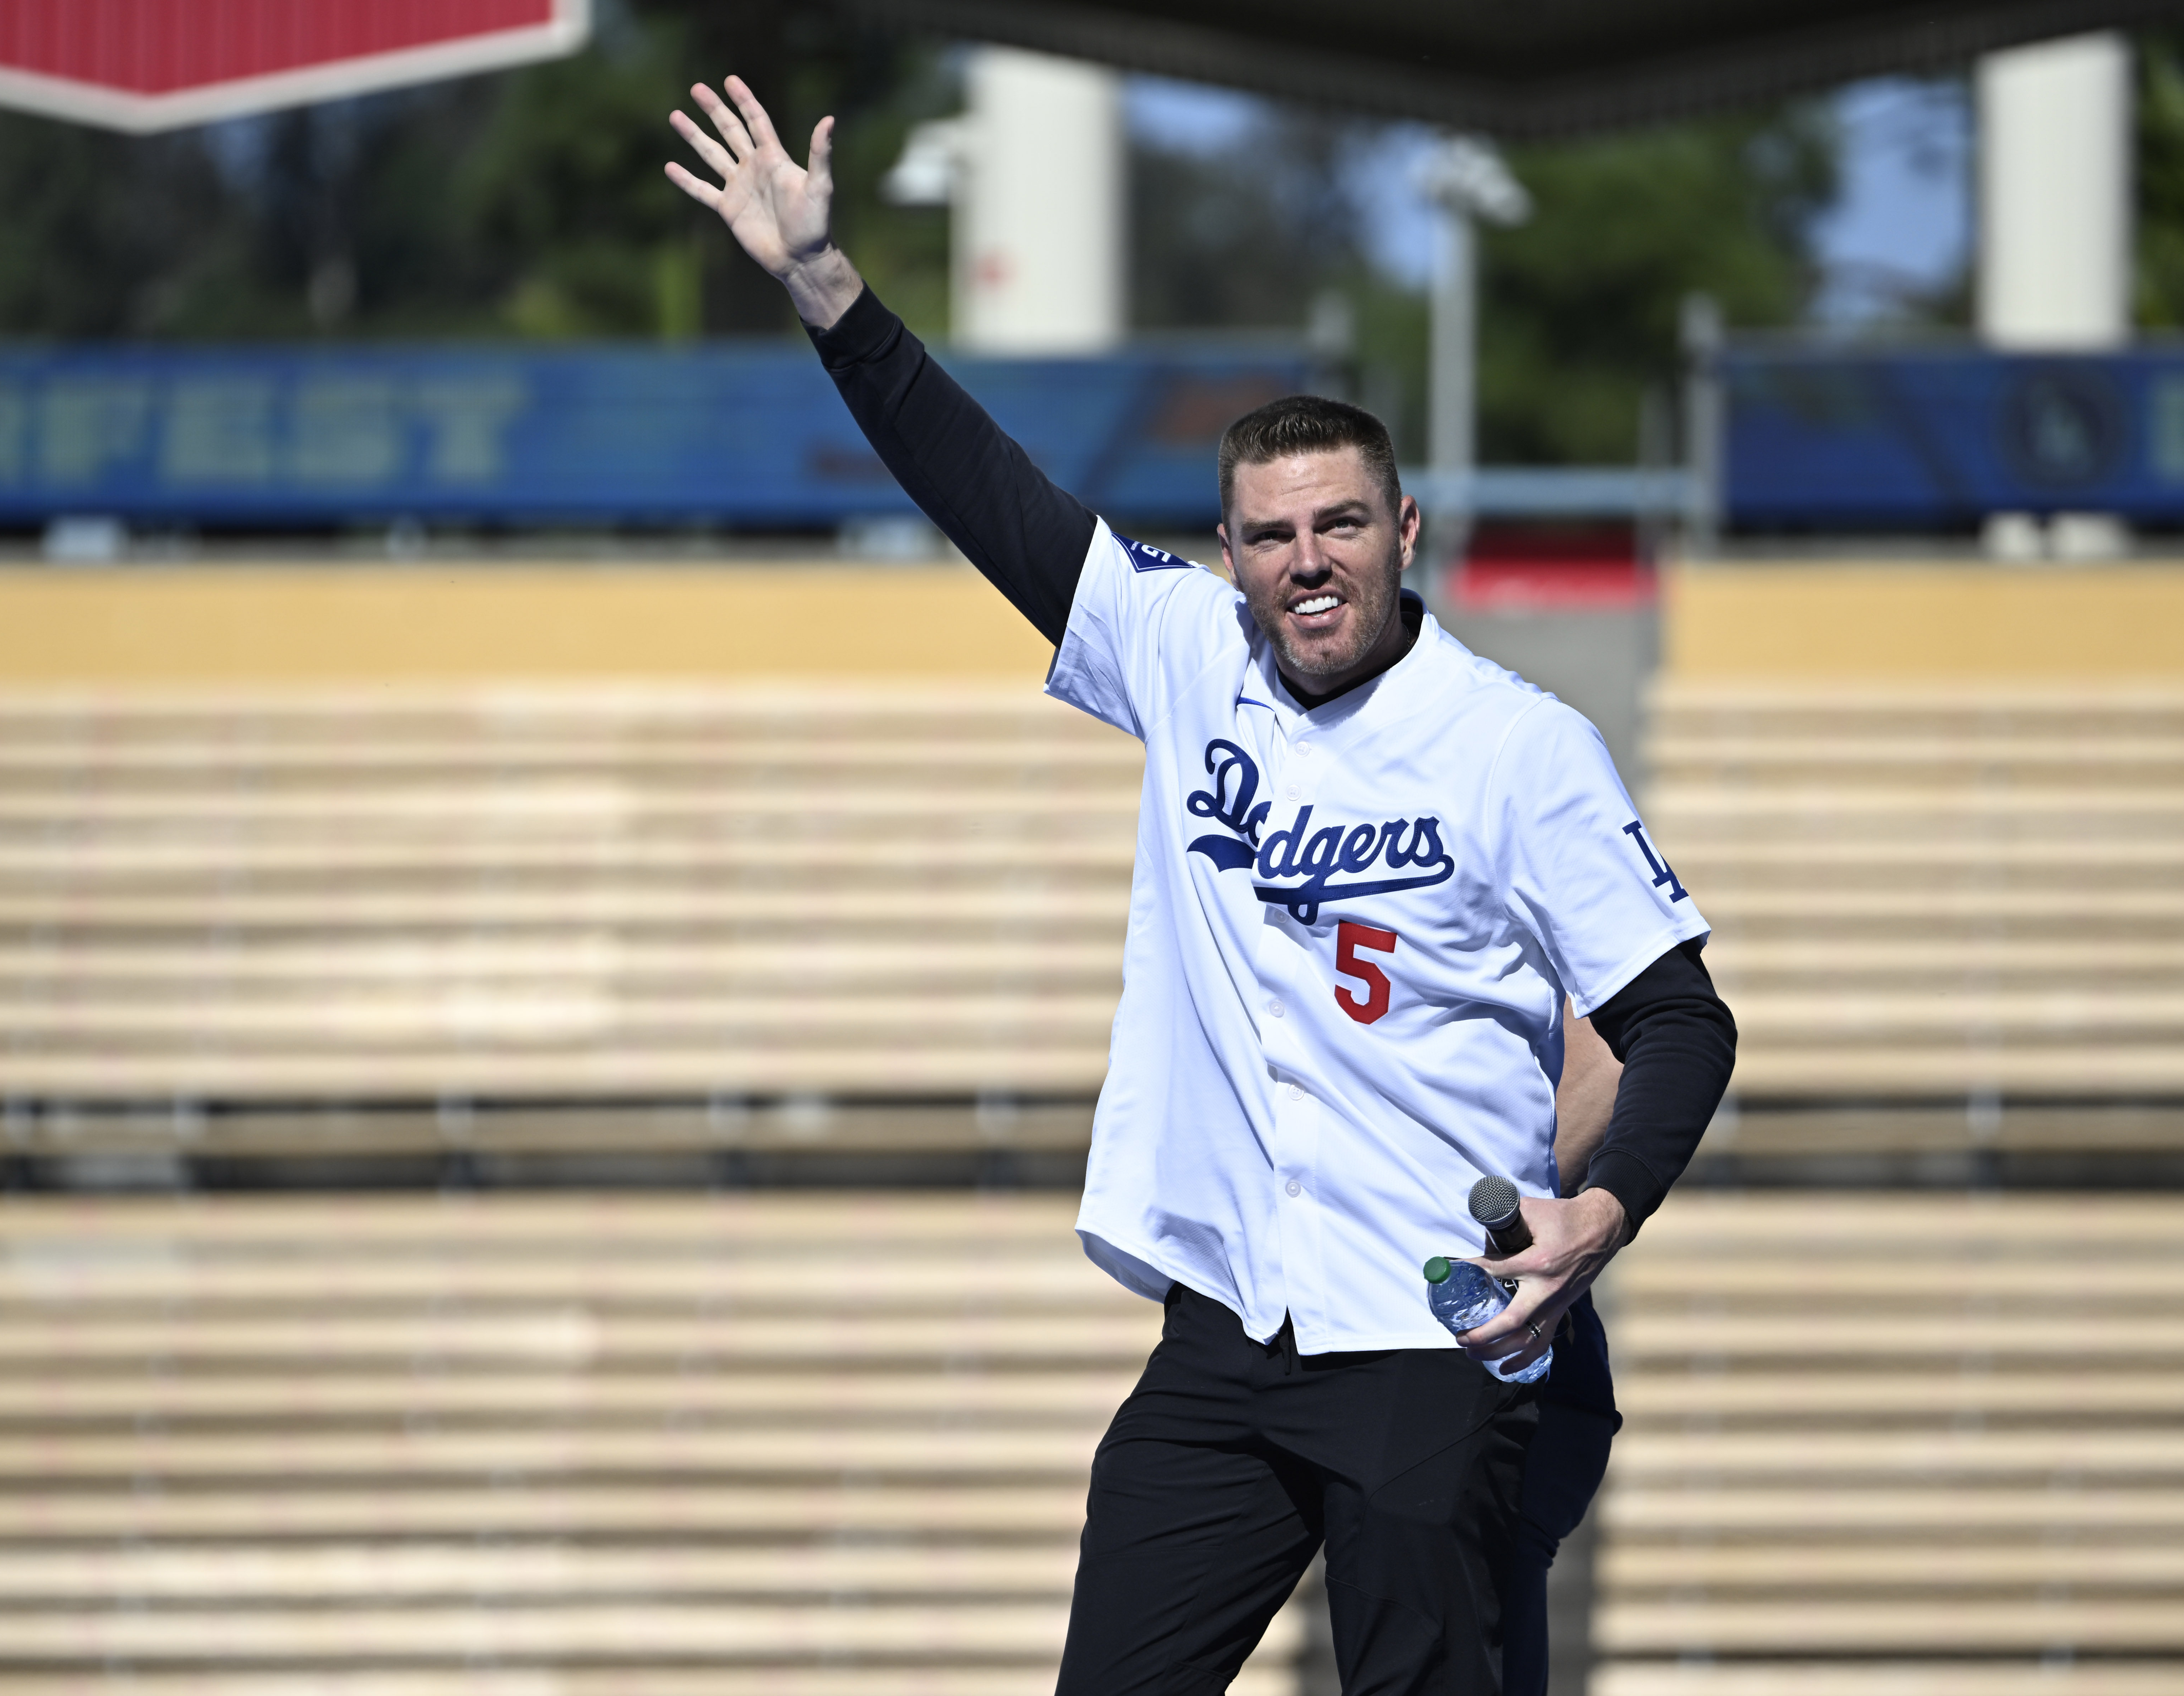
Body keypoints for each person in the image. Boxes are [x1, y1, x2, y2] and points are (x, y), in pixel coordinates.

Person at [664, 78, 1737, 1696]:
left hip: (1433, 1337)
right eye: (1269, 533)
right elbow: (988, 490)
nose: (1306, 559)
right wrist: (825, 284)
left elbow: (1679, 1019)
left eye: (1341, 524)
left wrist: (1604, 1205)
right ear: (1224, 552)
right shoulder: (1179, 652)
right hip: (1233, 1330)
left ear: (1405, 528)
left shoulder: (1521, 748)